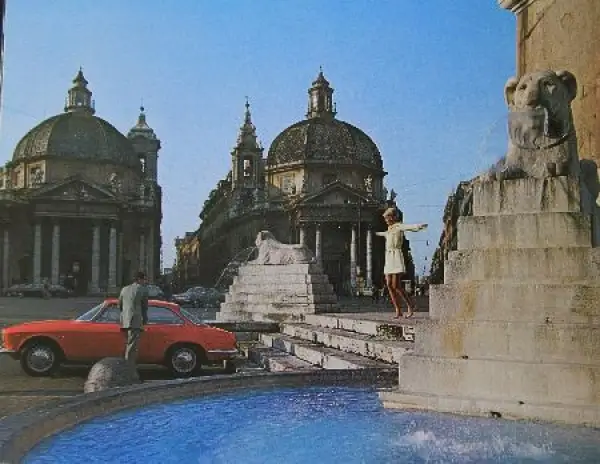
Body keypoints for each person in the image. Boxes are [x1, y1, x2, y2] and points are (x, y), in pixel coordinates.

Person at [376, 207, 427, 319]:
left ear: (393, 217)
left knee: (396, 285)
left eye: (387, 218)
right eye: (385, 218)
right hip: (388, 257)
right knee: (389, 285)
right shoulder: (389, 229)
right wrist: (375, 233)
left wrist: (419, 226)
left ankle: (410, 305)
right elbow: (383, 234)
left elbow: (409, 227)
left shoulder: (398, 226)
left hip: (396, 256)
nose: (386, 220)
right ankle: (398, 310)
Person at [119, 271, 149, 364]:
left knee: (127, 344)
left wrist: (124, 315)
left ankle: (124, 364)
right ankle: (128, 367)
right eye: (144, 279)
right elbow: (144, 307)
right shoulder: (143, 289)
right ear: (139, 279)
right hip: (135, 321)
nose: (145, 281)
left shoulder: (124, 289)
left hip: (124, 321)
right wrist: (144, 321)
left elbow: (119, 305)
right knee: (132, 346)